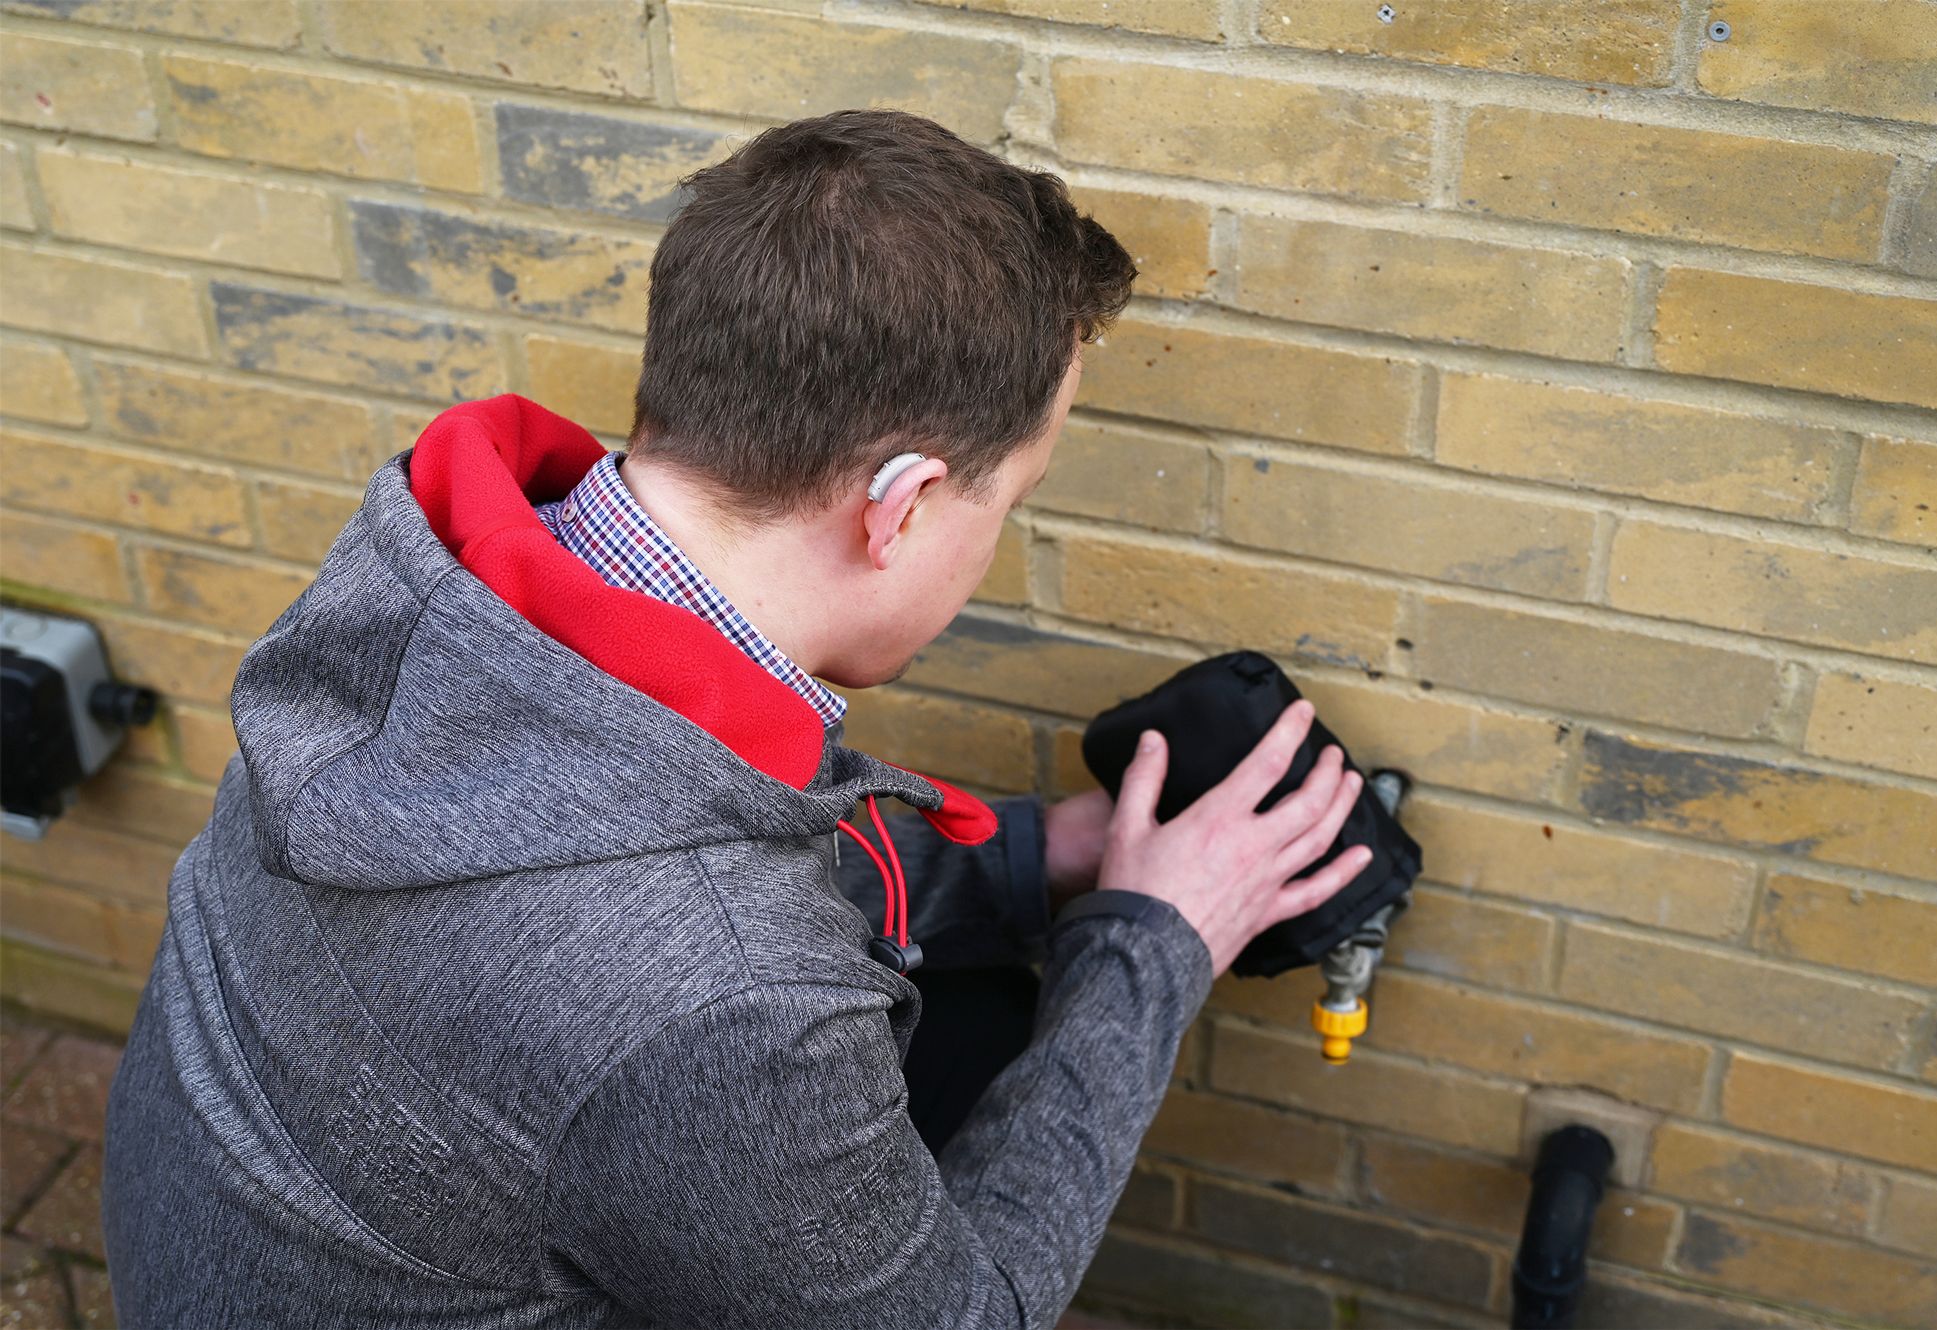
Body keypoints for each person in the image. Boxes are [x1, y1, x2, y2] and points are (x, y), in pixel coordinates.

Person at [101, 107, 1372, 1329]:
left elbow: (649, 834)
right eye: (1012, 499)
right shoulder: (727, 1002)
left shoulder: (430, 598)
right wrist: (1154, 942)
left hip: (236, 1251)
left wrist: (1057, 855)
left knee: (966, 1008)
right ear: (903, 505)